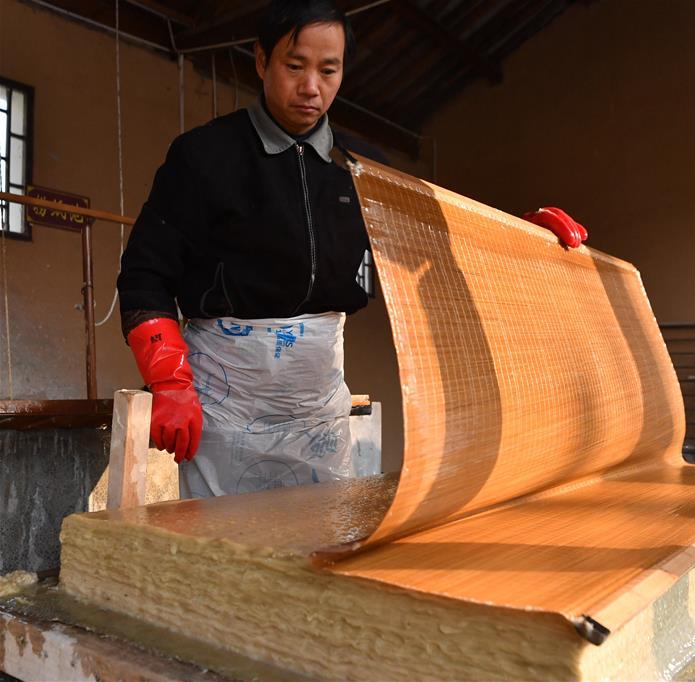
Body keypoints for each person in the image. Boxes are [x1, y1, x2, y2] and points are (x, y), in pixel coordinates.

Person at [117, 0, 588, 499]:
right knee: (223, 553)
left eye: (328, 70)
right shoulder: (204, 156)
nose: (311, 87)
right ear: (261, 61)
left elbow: (434, 252)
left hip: (319, 405)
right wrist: (170, 382)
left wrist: (522, 238)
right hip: (223, 405)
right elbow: (145, 275)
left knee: (320, 547)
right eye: (294, 66)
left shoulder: (363, 169)